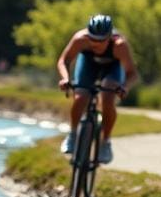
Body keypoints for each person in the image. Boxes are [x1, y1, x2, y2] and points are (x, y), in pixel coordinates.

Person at [56, 14, 139, 162]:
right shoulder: (80, 39)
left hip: (112, 69)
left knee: (107, 97)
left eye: (101, 41)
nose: (96, 44)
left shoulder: (120, 45)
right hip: (88, 65)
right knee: (81, 96)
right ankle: (73, 134)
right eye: (92, 39)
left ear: (110, 37)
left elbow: (132, 74)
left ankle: (105, 142)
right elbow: (64, 60)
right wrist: (65, 78)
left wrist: (124, 87)